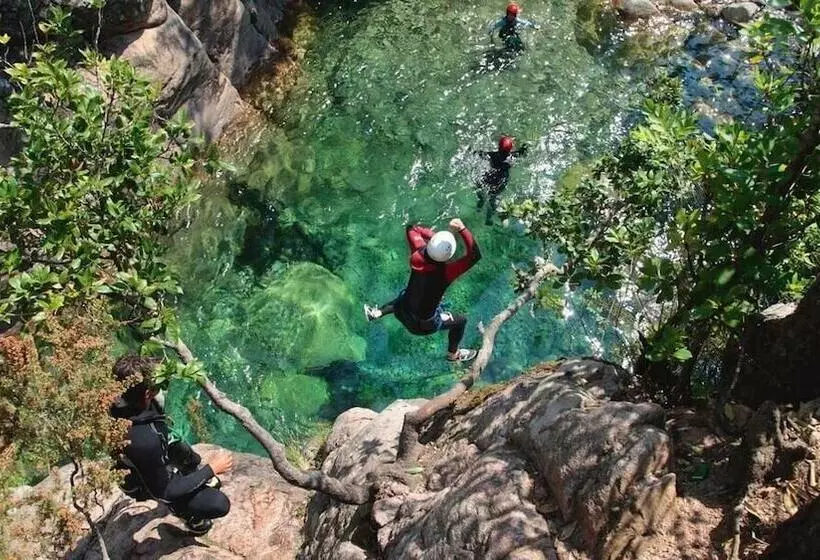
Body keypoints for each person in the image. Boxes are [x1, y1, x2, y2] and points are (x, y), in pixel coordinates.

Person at [110, 355, 232, 536]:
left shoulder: (115, 399)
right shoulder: (144, 440)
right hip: (144, 480)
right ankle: (187, 514)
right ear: (146, 394)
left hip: (152, 449)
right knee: (218, 504)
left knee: (184, 453)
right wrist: (211, 469)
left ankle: (190, 474)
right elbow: (164, 492)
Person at [364, 218, 481, 362]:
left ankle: (377, 313)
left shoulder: (417, 253)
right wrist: (462, 228)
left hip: (402, 312)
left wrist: (434, 238)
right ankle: (453, 354)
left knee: (406, 294)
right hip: (422, 326)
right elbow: (475, 255)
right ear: (449, 255)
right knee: (461, 321)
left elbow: (411, 228)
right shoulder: (447, 272)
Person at [474, 135, 529, 225]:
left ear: (498, 147)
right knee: (493, 199)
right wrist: (524, 144)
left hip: (489, 177)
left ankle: (480, 203)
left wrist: (474, 151)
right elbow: (522, 151)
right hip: (500, 182)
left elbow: (479, 153)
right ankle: (489, 218)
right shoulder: (512, 157)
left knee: (478, 184)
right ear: (510, 149)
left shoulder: (492, 155)